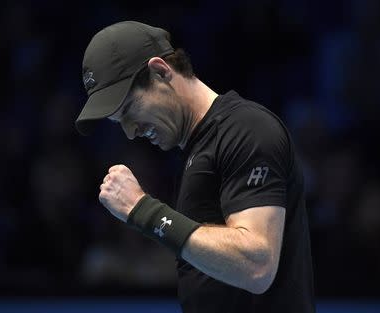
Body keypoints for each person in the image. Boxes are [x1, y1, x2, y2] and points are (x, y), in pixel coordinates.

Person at [75, 21, 315, 313]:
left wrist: (142, 210)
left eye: (129, 110)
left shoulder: (247, 129)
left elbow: (257, 265)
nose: (130, 132)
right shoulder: (195, 150)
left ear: (161, 71)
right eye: (118, 122)